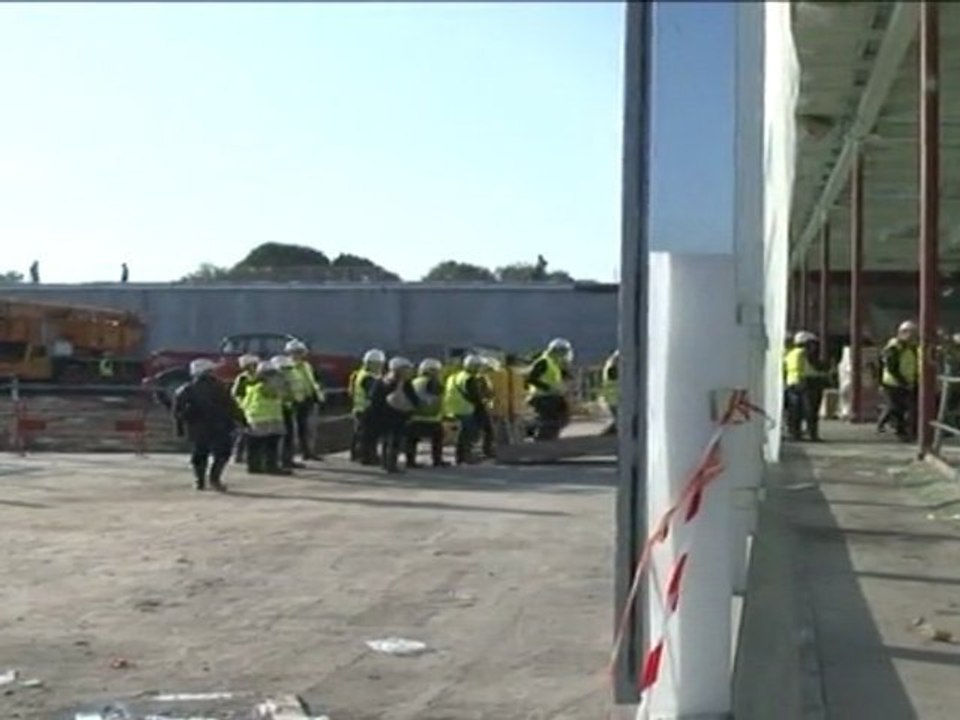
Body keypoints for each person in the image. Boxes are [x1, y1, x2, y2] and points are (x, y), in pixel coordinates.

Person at [173, 358, 246, 491]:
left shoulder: (185, 390)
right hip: (220, 426)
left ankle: (199, 481)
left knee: (199, 454)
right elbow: (231, 406)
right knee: (222, 454)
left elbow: (178, 412)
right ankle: (214, 479)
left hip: (197, 428)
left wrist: (180, 429)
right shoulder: (220, 387)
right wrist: (242, 420)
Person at [369, 357, 420, 473]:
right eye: (406, 369)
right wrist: (412, 411)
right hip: (398, 416)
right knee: (395, 440)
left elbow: (373, 398)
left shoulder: (381, 381)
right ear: (399, 370)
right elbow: (414, 400)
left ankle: (385, 463)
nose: (409, 371)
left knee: (386, 440)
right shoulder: (404, 383)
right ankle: (391, 465)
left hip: (383, 416)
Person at [241, 360, 289, 475]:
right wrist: (283, 387)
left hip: (255, 417)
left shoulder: (252, 384)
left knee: (255, 444)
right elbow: (275, 394)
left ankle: (254, 466)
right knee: (271, 444)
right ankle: (271, 467)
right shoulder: (264, 386)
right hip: (267, 418)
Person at [283, 339, 326, 461]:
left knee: (306, 429)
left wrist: (317, 395)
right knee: (291, 431)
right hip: (293, 401)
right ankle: (289, 457)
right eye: (295, 352)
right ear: (289, 353)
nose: (298, 355)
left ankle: (307, 452)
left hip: (307, 400)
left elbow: (311, 381)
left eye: (300, 352)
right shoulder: (287, 367)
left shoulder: (306, 366)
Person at [877, 320, 919, 441]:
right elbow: (891, 368)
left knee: (907, 407)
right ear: (902, 333)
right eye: (911, 333)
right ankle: (900, 432)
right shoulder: (894, 348)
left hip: (907, 382)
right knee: (897, 408)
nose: (914, 336)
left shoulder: (911, 347)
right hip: (893, 383)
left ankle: (907, 431)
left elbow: (912, 364)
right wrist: (904, 382)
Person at [525, 338, 574, 441]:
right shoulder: (543, 362)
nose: (564, 355)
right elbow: (531, 379)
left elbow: (558, 377)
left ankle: (547, 439)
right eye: (563, 352)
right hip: (542, 397)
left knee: (562, 418)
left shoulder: (553, 363)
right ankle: (542, 441)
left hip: (552, 397)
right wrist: (547, 387)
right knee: (549, 422)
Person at [443, 354, 488, 465]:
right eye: (477, 366)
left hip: (451, 409)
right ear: (472, 366)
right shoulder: (469, 378)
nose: (479, 368)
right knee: (468, 434)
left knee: (461, 435)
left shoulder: (453, 377)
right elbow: (474, 396)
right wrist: (482, 405)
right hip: (465, 409)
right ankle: (466, 457)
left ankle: (460, 457)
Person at [405, 358, 449, 468]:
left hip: (415, 417)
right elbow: (439, 391)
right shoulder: (431, 382)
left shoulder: (414, 381)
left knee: (412, 440)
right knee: (437, 439)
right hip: (431, 418)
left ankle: (410, 461)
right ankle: (437, 460)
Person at [783, 331, 826, 442]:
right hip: (807, 383)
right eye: (812, 343)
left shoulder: (790, 353)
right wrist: (824, 373)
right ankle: (812, 435)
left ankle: (795, 434)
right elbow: (815, 367)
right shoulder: (804, 353)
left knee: (794, 411)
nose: (814, 346)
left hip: (791, 383)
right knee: (810, 411)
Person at [350, 349, 386, 464]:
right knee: (369, 435)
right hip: (366, 409)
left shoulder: (361, 374)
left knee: (360, 434)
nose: (379, 367)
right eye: (378, 364)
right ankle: (368, 457)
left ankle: (357, 455)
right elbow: (374, 393)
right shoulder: (368, 377)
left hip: (360, 409)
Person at [270, 355, 305, 470]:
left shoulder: (285, 376)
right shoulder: (275, 379)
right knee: (282, 436)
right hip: (279, 409)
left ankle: (287, 459)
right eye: (284, 368)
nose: (287, 371)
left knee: (289, 435)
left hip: (287, 408)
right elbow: (280, 394)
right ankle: (283, 461)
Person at [230, 354, 260, 463]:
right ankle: (238, 454)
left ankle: (247, 455)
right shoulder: (242, 378)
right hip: (244, 408)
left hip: (254, 409)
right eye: (253, 365)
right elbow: (236, 394)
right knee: (244, 433)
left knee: (252, 433)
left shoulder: (257, 377)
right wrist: (241, 405)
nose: (255, 367)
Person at [476, 358, 497, 459]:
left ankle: (486, 450)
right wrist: (490, 396)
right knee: (487, 430)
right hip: (480, 408)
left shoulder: (481, 378)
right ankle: (485, 451)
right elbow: (484, 394)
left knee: (486, 430)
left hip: (480, 407)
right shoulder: (481, 379)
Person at [600, 349, 619, 436]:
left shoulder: (612, 361)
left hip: (611, 397)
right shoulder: (615, 362)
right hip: (615, 397)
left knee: (618, 417)